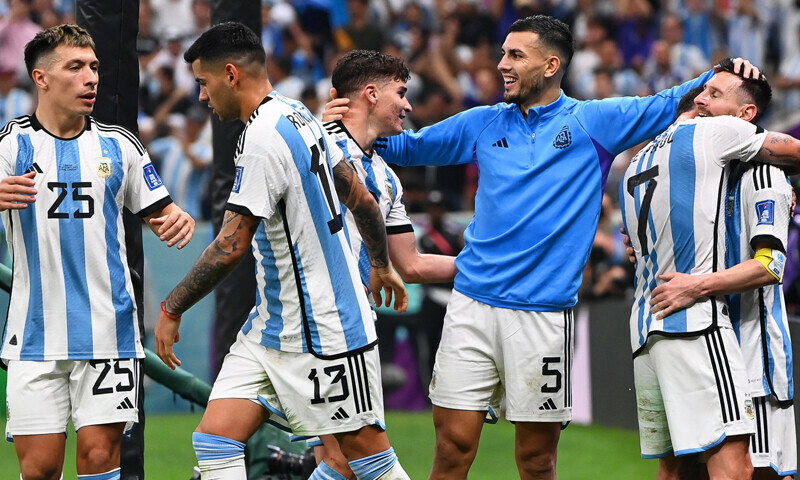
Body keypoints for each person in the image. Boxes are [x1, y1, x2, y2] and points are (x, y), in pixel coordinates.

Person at [323, 14, 754, 480]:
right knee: (451, 448)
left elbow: (669, 101)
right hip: (470, 307)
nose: (502, 64)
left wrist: (724, 70)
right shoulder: (483, 123)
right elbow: (405, 148)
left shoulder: (594, 122)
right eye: (503, 53)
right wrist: (341, 127)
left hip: (544, 315)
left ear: (551, 65)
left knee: (536, 461)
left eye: (515, 55)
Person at [153, 22, 412, 480]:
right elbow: (362, 199)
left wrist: (172, 308)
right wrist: (379, 263)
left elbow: (231, 246)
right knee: (215, 439)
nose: (201, 97)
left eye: (204, 83)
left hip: (325, 330)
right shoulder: (299, 114)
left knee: (364, 462)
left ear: (230, 74)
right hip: (273, 325)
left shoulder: (260, 139)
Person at [0, 24, 195, 480]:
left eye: (94, 68)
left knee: (98, 458)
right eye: (75, 67)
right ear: (41, 78)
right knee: (39, 470)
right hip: (34, 334)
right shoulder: (11, 146)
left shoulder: (119, 146)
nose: (91, 78)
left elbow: (161, 208)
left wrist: (176, 217)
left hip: (109, 332)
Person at [622, 63, 800, 479]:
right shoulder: (697, 167)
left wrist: (696, 284)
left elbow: (771, 264)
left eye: (716, 94)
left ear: (745, 118)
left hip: (754, 360)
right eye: (702, 93)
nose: (701, 100)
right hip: (705, 342)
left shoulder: (762, 171)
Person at [307, 48, 459, 480]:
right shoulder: (313, 147)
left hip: (351, 325)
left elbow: (408, 264)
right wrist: (310, 136)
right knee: (360, 461)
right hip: (318, 325)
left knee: (336, 462)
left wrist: (487, 267)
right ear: (371, 94)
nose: (409, 105)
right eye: (401, 93)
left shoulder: (387, 177)